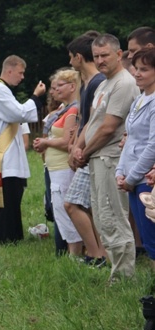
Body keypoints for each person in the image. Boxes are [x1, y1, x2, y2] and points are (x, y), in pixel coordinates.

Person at [72, 34, 140, 281]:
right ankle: (116, 270)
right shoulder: (103, 85)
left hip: (110, 157)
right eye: (97, 56)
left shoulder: (124, 83)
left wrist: (84, 152)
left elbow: (109, 127)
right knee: (101, 217)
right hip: (95, 157)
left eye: (105, 55)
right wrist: (77, 147)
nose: (100, 61)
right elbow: (92, 122)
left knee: (113, 216)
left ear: (119, 54)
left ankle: (124, 275)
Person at [0, 55, 46, 243]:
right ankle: (4, 236)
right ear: (9, 71)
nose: (22, 77)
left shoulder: (2, 90)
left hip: (6, 154)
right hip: (5, 156)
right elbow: (19, 113)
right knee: (7, 197)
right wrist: (35, 97)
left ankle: (9, 234)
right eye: (20, 72)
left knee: (11, 195)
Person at [64, 31, 108, 266]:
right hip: (86, 150)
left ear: (79, 57)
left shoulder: (97, 83)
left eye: (71, 57)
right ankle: (100, 253)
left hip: (92, 152)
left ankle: (96, 254)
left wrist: (79, 148)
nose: (69, 62)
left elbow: (94, 121)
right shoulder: (88, 84)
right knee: (91, 207)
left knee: (71, 203)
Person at [33, 69, 83, 256]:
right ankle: (71, 253)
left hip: (64, 168)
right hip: (55, 169)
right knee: (60, 212)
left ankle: (75, 254)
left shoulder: (73, 110)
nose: (55, 90)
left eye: (59, 86)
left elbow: (66, 142)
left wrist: (46, 142)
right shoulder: (64, 109)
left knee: (66, 211)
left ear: (72, 86)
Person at [116, 48, 155, 270]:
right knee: (147, 237)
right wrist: (120, 172)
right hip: (132, 177)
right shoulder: (139, 100)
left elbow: (153, 145)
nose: (137, 73)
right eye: (136, 69)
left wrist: (132, 177)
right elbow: (129, 140)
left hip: (146, 179)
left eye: (145, 69)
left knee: (152, 238)